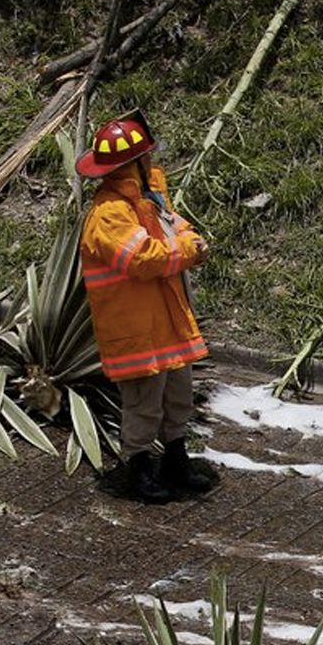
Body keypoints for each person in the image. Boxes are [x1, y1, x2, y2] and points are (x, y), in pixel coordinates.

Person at [76, 111, 217, 504]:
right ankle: (138, 468)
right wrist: (188, 250)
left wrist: (191, 238)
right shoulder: (109, 214)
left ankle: (175, 459)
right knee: (143, 403)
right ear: (134, 163)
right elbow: (142, 258)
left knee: (177, 395)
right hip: (136, 330)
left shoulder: (146, 197)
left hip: (165, 321)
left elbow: (171, 225)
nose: (152, 160)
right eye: (146, 156)